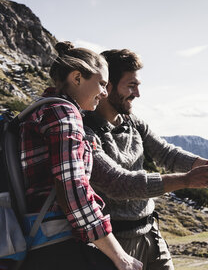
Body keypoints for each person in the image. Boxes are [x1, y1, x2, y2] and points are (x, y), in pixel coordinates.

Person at [83, 48, 208, 270]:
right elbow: (119, 184)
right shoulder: (86, 131)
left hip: (151, 232)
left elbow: (166, 153)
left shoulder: (133, 122)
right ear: (107, 86)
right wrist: (185, 180)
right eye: (131, 86)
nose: (137, 94)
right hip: (117, 242)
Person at [19, 42, 142, 270]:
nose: (104, 92)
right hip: (56, 243)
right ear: (77, 78)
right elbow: (73, 188)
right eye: (102, 83)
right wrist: (119, 256)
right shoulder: (64, 113)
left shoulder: (40, 109)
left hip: (35, 237)